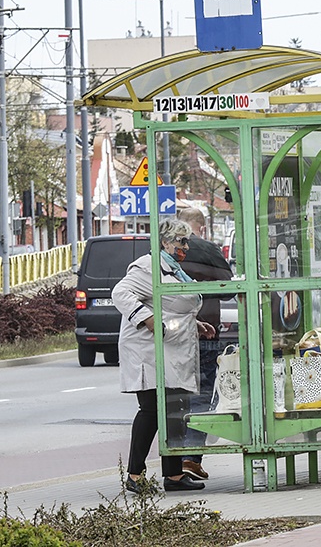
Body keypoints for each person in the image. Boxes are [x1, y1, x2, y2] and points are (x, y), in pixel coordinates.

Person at [113, 218, 216, 493]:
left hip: (172, 349)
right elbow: (120, 293)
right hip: (148, 350)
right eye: (180, 241)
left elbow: (173, 304)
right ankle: (135, 475)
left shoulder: (174, 270)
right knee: (151, 410)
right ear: (165, 242)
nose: (185, 247)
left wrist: (194, 323)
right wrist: (146, 319)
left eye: (186, 241)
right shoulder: (148, 267)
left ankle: (173, 475)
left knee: (174, 410)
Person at [175, 207, 234, 481]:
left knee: (176, 400)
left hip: (171, 339)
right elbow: (229, 289)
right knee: (202, 396)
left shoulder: (167, 252)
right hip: (206, 334)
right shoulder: (208, 249)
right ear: (202, 226)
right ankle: (190, 456)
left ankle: (174, 462)